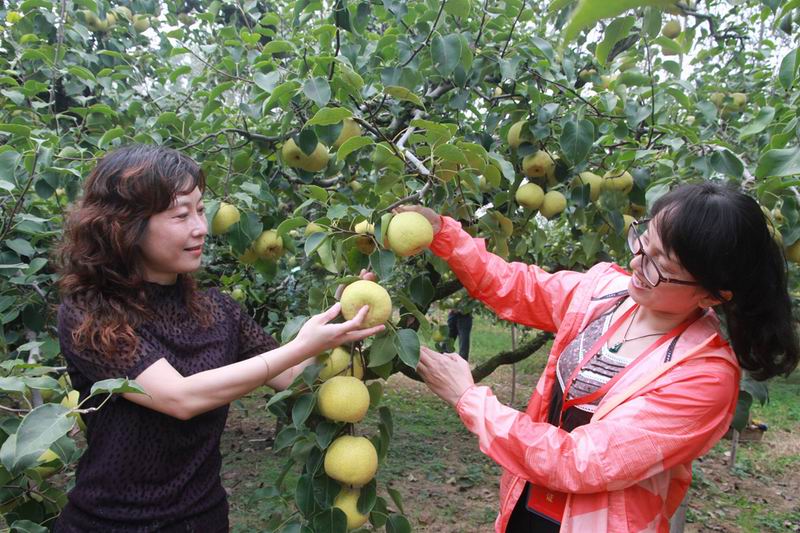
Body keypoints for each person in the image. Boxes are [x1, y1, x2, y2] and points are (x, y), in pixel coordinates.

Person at [405, 182, 799, 532]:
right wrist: (443, 233)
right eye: (643, 241)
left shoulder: (702, 377)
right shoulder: (606, 293)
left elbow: (581, 462)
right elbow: (516, 286)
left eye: (660, 265)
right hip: (525, 506)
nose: (637, 263)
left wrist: (470, 400)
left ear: (713, 295)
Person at [53, 145, 384, 532]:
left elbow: (293, 378)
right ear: (125, 225)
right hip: (110, 523)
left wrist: (342, 318)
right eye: (181, 215)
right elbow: (179, 397)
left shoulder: (218, 311)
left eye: (200, 210)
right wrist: (300, 346)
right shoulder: (90, 315)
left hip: (203, 519)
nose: (201, 227)